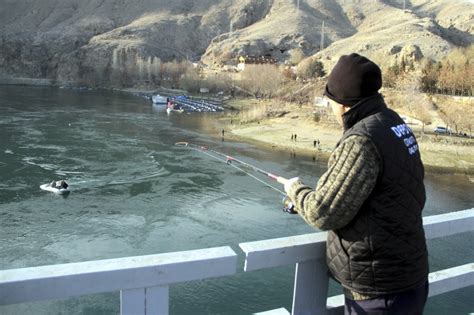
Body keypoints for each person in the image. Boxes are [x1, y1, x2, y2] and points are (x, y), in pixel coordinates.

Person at [279, 53, 428, 314]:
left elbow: (321, 212)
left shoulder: (361, 140)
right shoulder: (394, 122)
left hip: (379, 293)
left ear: (344, 103)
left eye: (331, 100)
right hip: (408, 277)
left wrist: (295, 189)